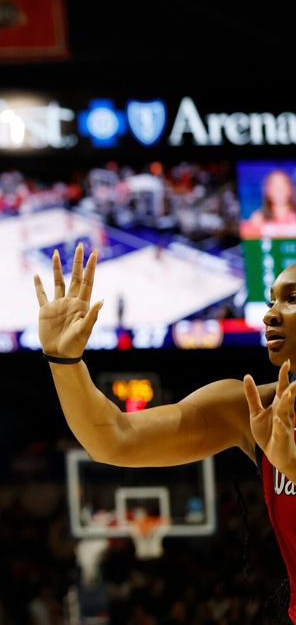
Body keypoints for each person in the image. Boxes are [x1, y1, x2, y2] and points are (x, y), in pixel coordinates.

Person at [34, 244, 296, 623]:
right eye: (272, 300)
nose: (270, 314)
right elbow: (115, 440)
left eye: (292, 299)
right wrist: (64, 362)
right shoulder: (253, 408)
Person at [243, 169, 296, 239]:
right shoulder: (257, 219)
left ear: (290, 189)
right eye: (274, 186)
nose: (278, 190)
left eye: (282, 185)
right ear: (267, 191)